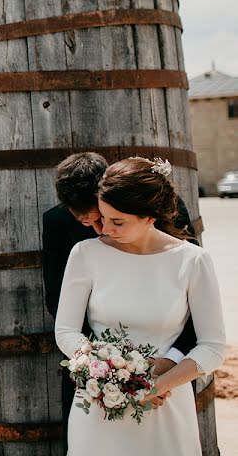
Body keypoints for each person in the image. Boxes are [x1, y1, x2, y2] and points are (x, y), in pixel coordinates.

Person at [54, 157, 226, 455]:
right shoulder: (85, 254)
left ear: (150, 217)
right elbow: (66, 330)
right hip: (99, 405)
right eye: (103, 217)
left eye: (117, 221)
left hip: (166, 406)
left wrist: (155, 388)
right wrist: (107, 373)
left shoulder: (192, 261)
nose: (105, 229)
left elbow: (212, 346)